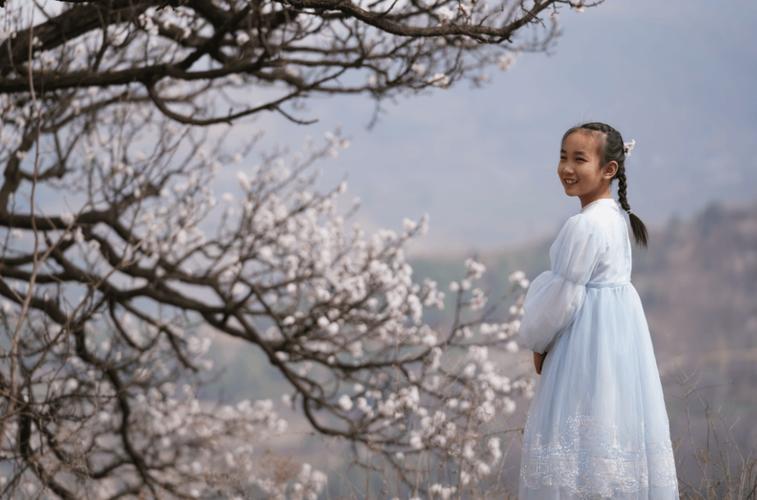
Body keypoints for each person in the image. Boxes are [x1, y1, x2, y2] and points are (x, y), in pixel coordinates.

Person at [516, 122, 679, 499]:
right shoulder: (616, 218)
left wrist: (539, 343)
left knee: (576, 433)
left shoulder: (584, 225)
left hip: (585, 343)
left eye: (579, 159)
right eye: (562, 157)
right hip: (619, 343)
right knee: (613, 423)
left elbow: (564, 297)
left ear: (609, 170)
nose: (566, 168)